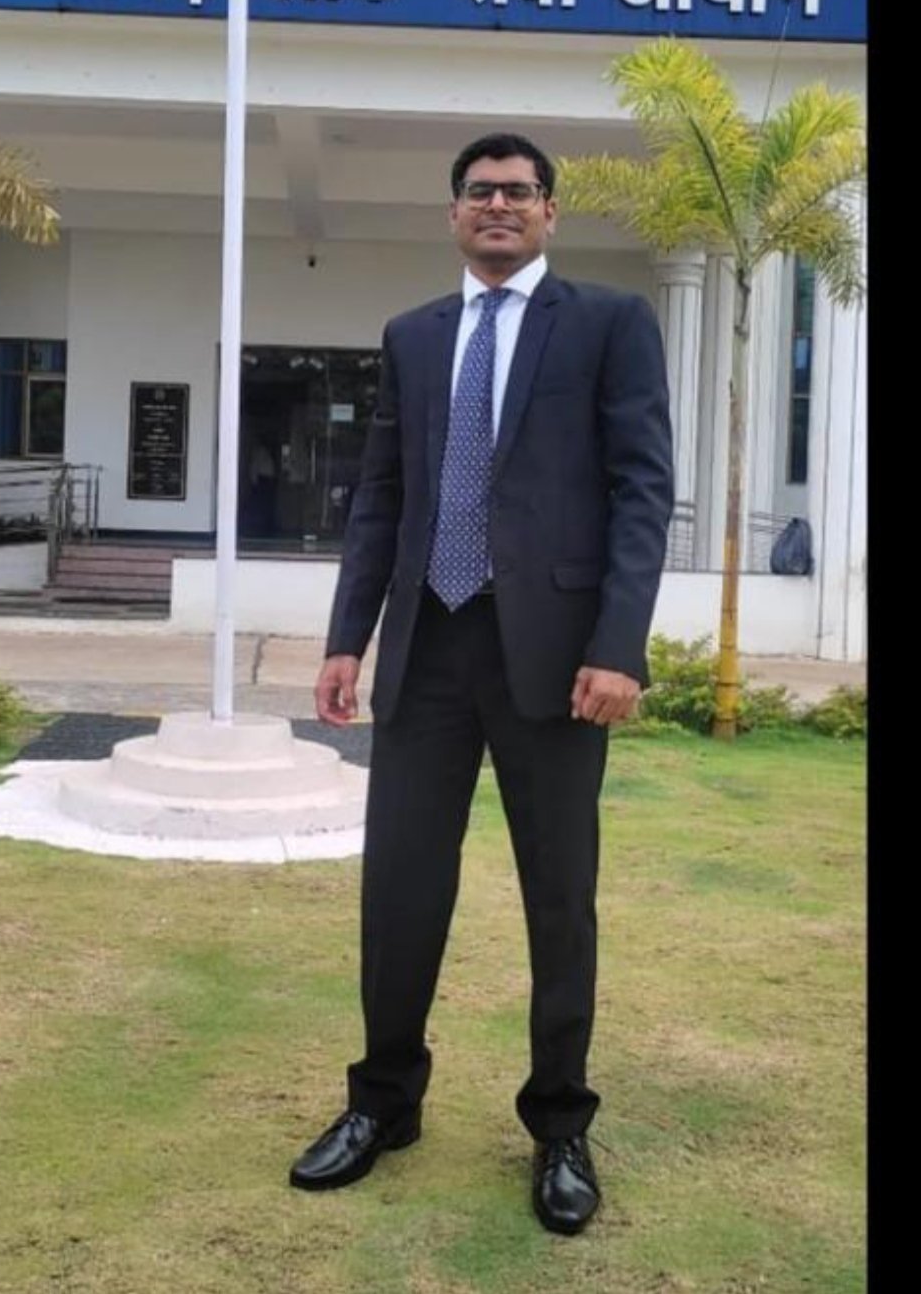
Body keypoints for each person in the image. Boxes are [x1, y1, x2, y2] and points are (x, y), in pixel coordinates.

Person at [289, 132, 674, 1235]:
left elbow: (641, 490)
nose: (498, 205)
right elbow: (382, 496)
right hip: (429, 650)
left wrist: (620, 646)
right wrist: (347, 638)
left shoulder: (608, 324)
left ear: (550, 211)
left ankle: (560, 1124)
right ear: (454, 213)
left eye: (518, 191)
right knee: (400, 890)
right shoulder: (414, 336)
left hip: (556, 660)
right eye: (479, 192)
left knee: (559, 896)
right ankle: (384, 1102)